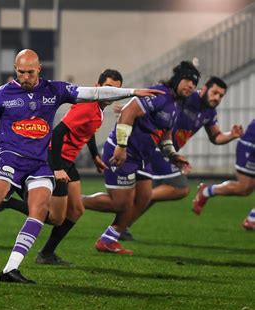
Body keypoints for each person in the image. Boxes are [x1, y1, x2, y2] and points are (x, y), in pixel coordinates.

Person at [0, 49, 163, 283]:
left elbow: (93, 93)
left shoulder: (54, 90)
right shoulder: (2, 95)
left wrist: (131, 93)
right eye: (20, 71)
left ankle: (10, 269)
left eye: (30, 71)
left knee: (39, 211)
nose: (25, 76)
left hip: (40, 163)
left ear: (39, 70)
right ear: (16, 70)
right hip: (10, 159)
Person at [0, 69, 123, 265]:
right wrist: (57, 167)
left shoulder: (96, 109)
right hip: (56, 160)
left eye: (116, 90)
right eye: (108, 88)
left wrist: (94, 155)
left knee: (76, 211)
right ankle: (6, 203)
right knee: (55, 218)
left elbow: (87, 130)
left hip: (68, 162)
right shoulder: (88, 107)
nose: (112, 93)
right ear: (97, 87)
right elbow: (57, 133)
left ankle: (47, 254)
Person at [84, 77, 244, 241]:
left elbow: (215, 136)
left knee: (146, 195)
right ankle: (117, 221)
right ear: (203, 89)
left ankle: (119, 228)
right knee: (179, 187)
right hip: (156, 149)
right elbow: (153, 101)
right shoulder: (187, 97)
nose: (217, 97)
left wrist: (231, 135)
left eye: (221, 96)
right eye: (214, 92)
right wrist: (130, 109)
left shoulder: (210, 112)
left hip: (167, 151)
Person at [85, 61, 198, 255]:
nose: (191, 86)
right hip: (124, 153)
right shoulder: (159, 94)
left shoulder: (178, 104)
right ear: (178, 79)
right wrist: (121, 146)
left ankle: (108, 240)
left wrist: (172, 154)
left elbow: (165, 134)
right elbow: (127, 114)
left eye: (194, 84)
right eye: (187, 80)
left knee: (144, 198)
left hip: (142, 157)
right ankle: (74, 201)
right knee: (119, 203)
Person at [192, 118, 254, 229]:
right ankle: (206, 191)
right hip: (250, 147)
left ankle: (252, 219)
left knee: (245, 189)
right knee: (244, 188)